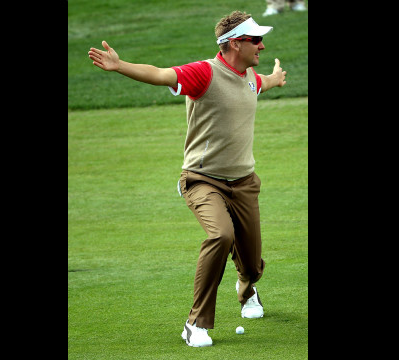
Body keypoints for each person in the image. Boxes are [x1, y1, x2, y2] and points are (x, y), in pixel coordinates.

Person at [88, 10, 287, 347]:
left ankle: (246, 285)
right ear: (234, 44)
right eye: (255, 40)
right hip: (202, 180)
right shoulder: (203, 73)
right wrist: (120, 66)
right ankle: (196, 324)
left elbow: (261, 84)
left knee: (252, 265)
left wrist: (275, 78)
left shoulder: (250, 76)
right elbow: (161, 74)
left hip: (244, 183)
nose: (262, 46)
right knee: (221, 235)